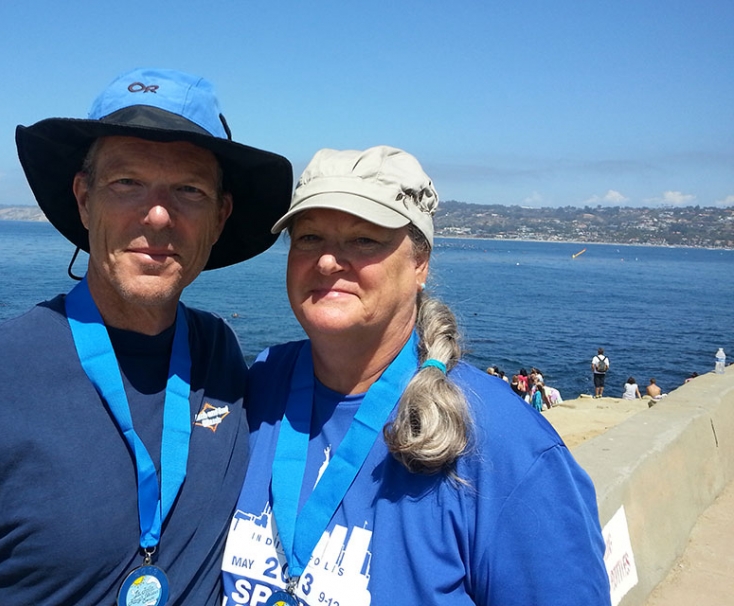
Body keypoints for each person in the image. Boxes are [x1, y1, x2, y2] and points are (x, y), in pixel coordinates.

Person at [0, 67, 292, 606]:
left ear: (220, 217)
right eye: (126, 182)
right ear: (84, 198)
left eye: (189, 190)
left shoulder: (218, 352)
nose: (157, 214)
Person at [221, 146, 610, 605]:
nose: (327, 262)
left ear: (420, 263)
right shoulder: (264, 382)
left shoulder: (502, 443)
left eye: (363, 240)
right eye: (309, 238)